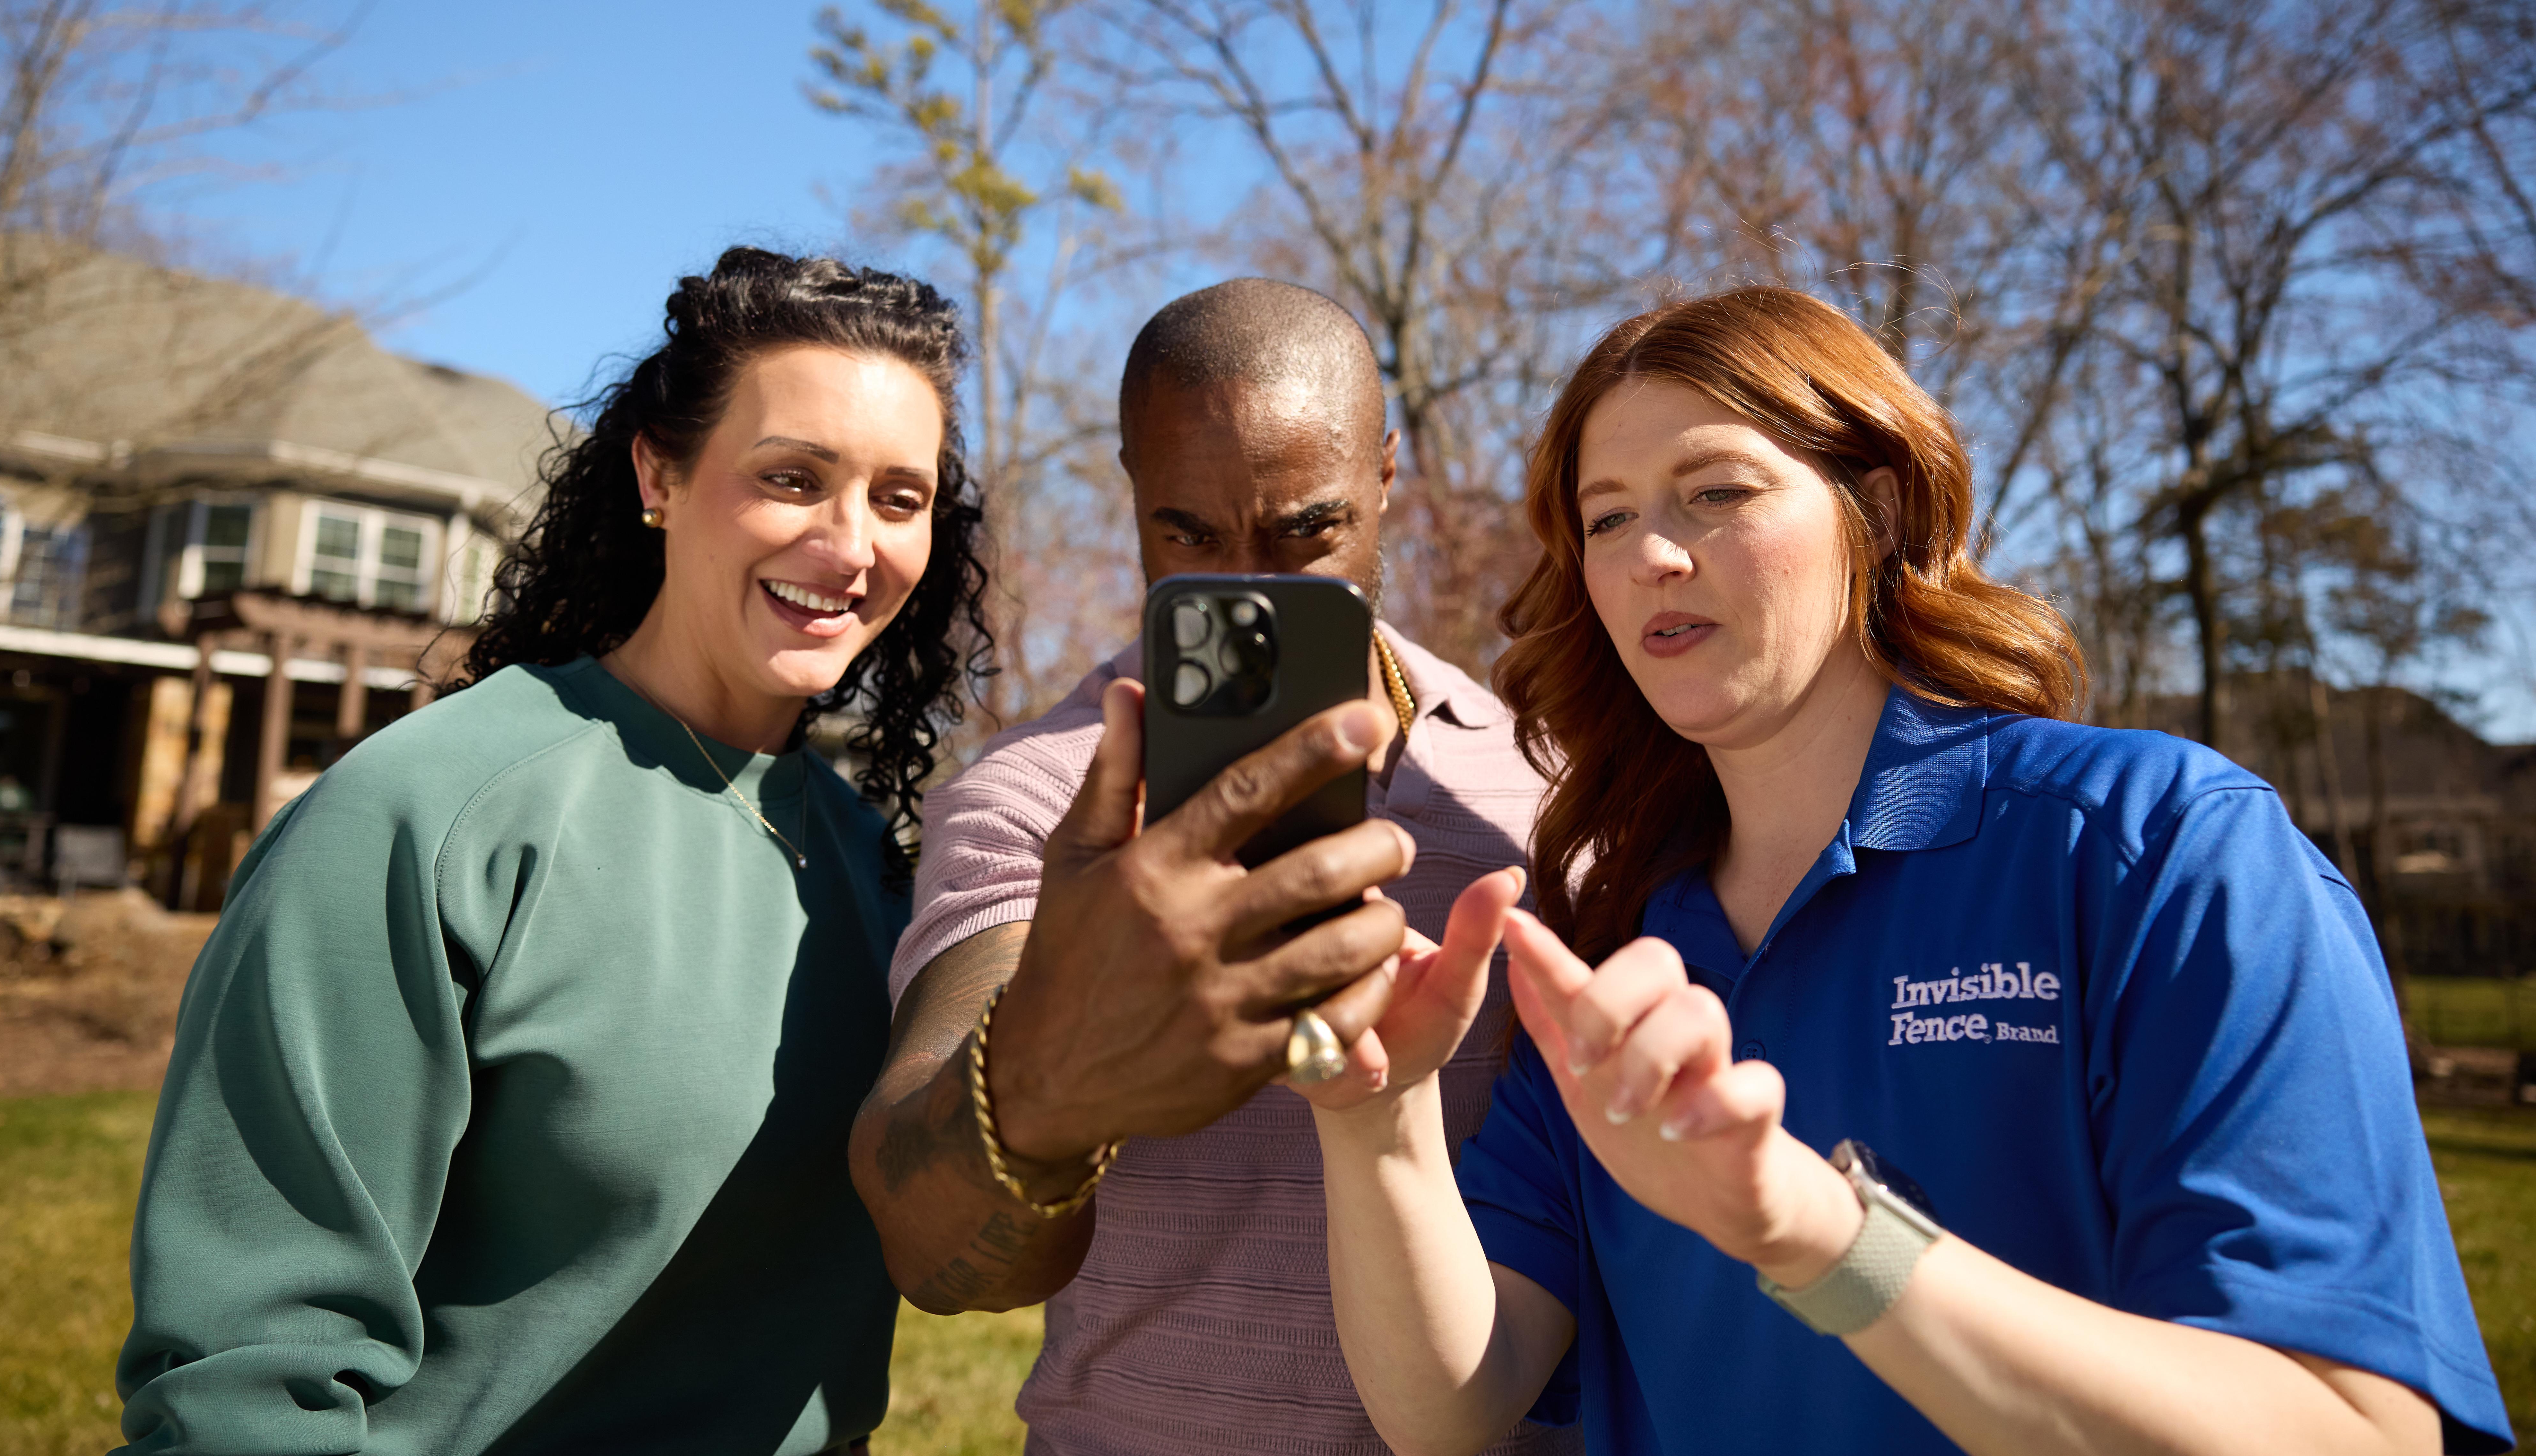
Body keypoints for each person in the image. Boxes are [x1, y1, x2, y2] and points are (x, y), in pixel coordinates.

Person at [1297, 287, 2513, 1456]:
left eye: (1715, 490)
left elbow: (2356, 1429)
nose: (1651, 552)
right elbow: (1447, 1407)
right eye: (1606, 517)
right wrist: (1376, 1119)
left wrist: (1829, 1241)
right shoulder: (1619, 959)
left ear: (1873, 511)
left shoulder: (2157, 848)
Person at [115, 249, 992, 1455]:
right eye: (792, 478)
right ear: (659, 474)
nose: (852, 546)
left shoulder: (875, 866)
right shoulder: (426, 819)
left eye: (902, 499)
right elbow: (245, 1383)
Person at [850, 278, 1574, 1456]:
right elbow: (931, 1245)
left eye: (1308, 532)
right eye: (1188, 535)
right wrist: (1056, 1063)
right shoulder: (1042, 797)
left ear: (1386, 475)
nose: (1252, 589)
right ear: (1134, 491)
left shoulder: (1537, 783)